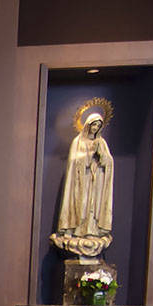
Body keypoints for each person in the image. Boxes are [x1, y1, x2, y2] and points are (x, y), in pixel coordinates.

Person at [51, 104, 115, 258]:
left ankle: (92, 232)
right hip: (81, 184)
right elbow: (73, 161)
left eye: (99, 126)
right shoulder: (78, 142)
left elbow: (109, 162)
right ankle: (77, 230)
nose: (95, 128)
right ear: (88, 125)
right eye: (94, 125)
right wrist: (87, 156)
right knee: (82, 206)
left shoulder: (102, 143)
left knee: (93, 209)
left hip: (96, 184)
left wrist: (103, 157)